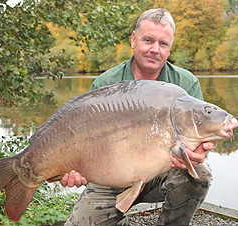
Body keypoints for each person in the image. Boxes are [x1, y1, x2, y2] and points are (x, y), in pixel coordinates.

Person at [62, 8, 214, 226]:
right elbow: (85, 145)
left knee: (199, 173)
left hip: (162, 172)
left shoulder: (186, 85)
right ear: (133, 40)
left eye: (163, 44)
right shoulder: (106, 85)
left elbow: (197, 145)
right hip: (111, 176)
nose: (155, 49)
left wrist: (197, 154)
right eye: (148, 40)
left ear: (170, 48)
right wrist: (77, 169)